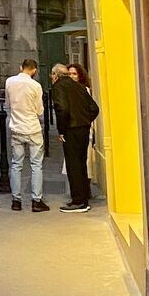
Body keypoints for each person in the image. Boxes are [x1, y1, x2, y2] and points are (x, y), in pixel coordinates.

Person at [53, 61, 100, 211]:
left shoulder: (59, 86)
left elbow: (62, 108)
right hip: (83, 129)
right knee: (81, 163)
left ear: (56, 74)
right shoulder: (79, 87)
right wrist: (85, 120)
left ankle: (78, 201)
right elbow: (94, 108)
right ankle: (83, 197)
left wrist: (61, 130)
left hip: (71, 130)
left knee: (73, 165)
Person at [5, 58, 48, 211]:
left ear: (21, 67)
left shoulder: (9, 82)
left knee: (16, 164)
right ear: (34, 70)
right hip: (32, 128)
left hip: (16, 127)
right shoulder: (36, 86)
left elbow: (8, 104)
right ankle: (36, 200)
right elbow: (39, 110)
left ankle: (16, 200)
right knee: (36, 164)